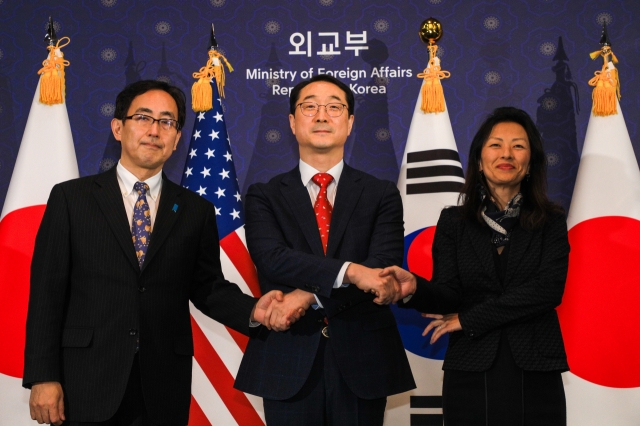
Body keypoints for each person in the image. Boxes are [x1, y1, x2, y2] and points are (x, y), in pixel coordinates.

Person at [23, 80, 297, 426]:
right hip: (86, 381)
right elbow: (47, 294)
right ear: (118, 127)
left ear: (177, 138)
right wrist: (43, 377)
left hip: (163, 384)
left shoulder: (195, 210)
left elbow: (207, 287)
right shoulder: (71, 199)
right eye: (143, 118)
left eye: (167, 122)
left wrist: (255, 309)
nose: (155, 130)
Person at [234, 74, 415, 426]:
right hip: (288, 361)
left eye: (334, 107)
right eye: (309, 106)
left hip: (364, 358)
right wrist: (350, 271)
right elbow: (273, 259)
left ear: (349, 123)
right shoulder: (264, 195)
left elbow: (381, 268)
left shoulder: (381, 194)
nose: (321, 115)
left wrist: (308, 296)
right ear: (292, 122)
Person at [384, 107, 570, 425]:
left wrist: (471, 318)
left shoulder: (550, 220)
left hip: (535, 365)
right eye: (496, 144)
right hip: (471, 364)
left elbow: (547, 290)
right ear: (480, 159)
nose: (506, 153)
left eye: (518, 145)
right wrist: (415, 288)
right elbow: (449, 293)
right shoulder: (454, 221)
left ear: (530, 164)